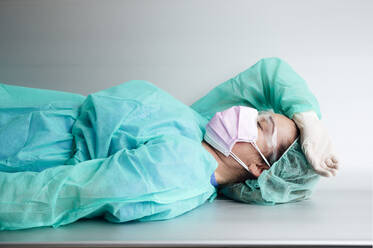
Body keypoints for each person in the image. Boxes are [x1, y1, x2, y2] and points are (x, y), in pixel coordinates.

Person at [0, 57, 338, 230]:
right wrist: (309, 119)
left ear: (258, 167)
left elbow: (60, 193)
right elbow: (270, 71)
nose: (248, 113)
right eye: (261, 113)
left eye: (262, 125)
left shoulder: (181, 168)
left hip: (28, 149)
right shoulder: (200, 127)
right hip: (33, 113)